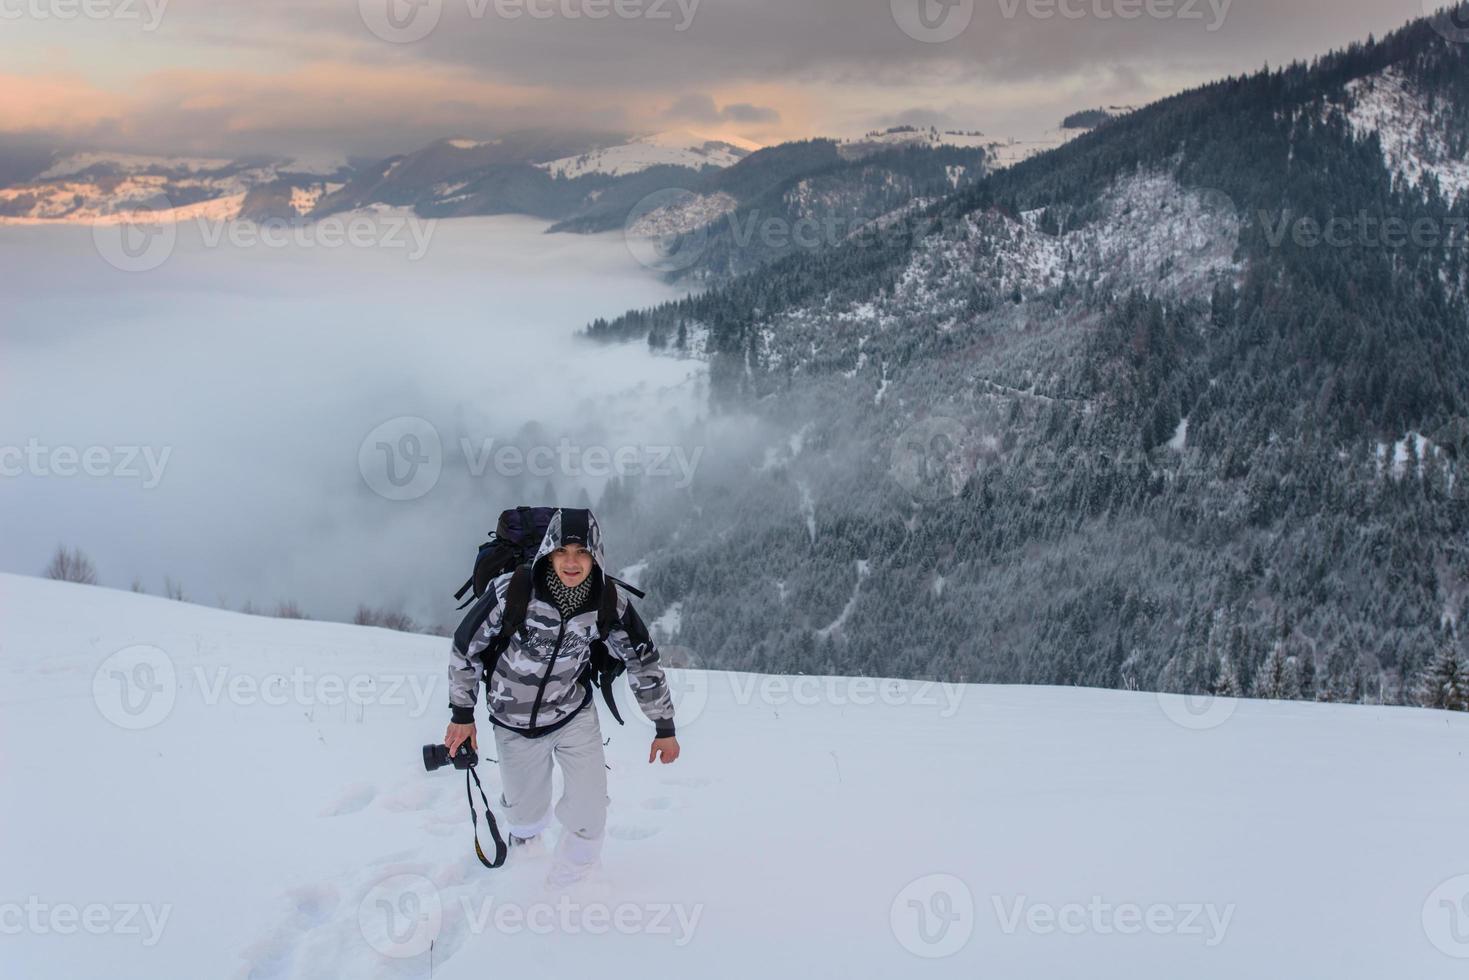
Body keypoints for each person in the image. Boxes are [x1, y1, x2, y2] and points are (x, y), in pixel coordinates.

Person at [445, 508, 679, 887]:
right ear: (548, 553)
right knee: (525, 815)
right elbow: (464, 648)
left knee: (590, 813)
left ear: (596, 555)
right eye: (563, 552)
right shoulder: (512, 591)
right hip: (512, 721)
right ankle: (525, 851)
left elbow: (643, 659)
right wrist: (461, 715)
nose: (572, 562)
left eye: (582, 553)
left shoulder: (608, 601)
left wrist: (663, 725)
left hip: (574, 714)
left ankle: (571, 889)